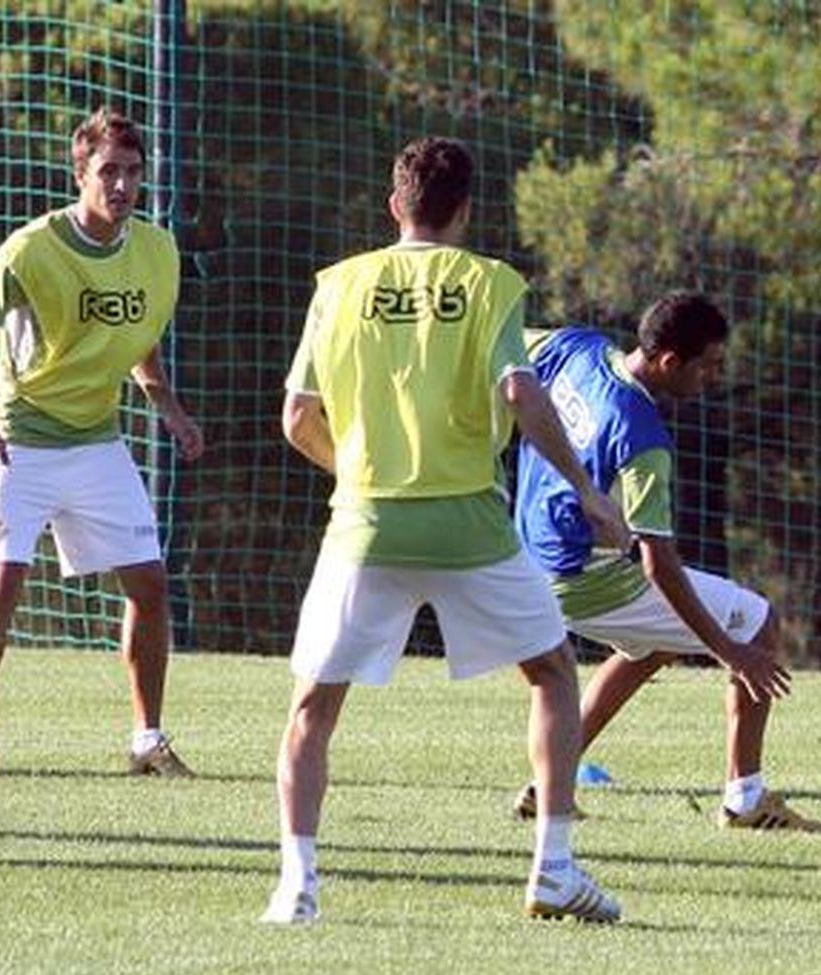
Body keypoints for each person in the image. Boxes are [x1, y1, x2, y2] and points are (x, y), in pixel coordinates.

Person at [262, 137, 631, 925]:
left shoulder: (338, 285)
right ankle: (555, 870)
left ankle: (297, 886)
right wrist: (589, 491)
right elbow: (523, 395)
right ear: (465, 211)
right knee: (555, 675)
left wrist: (360, 470)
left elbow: (297, 418)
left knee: (312, 709)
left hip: (365, 523)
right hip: (470, 525)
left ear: (395, 204)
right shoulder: (491, 282)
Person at [0, 107, 204, 780]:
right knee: (2, 589)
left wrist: (167, 404)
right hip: (21, 442)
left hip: (97, 442)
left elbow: (140, 335)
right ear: (80, 174)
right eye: (108, 172)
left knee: (149, 584)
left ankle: (147, 740)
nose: (121, 186)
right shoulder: (31, 248)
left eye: (132, 173)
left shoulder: (156, 249)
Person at [510, 292, 821, 833]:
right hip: (587, 580)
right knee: (757, 621)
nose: (713, 377)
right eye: (708, 366)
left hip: (528, 559)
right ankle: (746, 798)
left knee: (652, 646)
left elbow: (503, 354)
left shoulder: (575, 348)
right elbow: (657, 561)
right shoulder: (641, 436)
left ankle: (549, 784)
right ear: (669, 362)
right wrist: (731, 652)